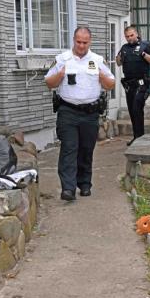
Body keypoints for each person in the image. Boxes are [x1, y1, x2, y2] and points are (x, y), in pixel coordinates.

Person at [45, 27, 115, 201]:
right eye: (78, 42)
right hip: (68, 111)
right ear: (74, 40)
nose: (81, 45)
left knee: (86, 149)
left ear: (89, 42)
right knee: (69, 148)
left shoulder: (97, 60)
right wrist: (60, 75)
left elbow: (110, 84)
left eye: (85, 42)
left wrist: (102, 78)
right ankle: (68, 188)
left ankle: (84, 184)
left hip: (90, 113)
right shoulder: (62, 59)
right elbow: (49, 82)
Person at [116, 26, 150, 146]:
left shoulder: (146, 45)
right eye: (127, 36)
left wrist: (143, 54)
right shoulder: (124, 48)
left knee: (136, 107)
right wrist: (119, 58)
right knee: (132, 111)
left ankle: (140, 137)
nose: (129, 38)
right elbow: (118, 63)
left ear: (136, 34)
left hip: (142, 83)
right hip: (129, 84)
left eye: (131, 35)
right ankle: (137, 137)